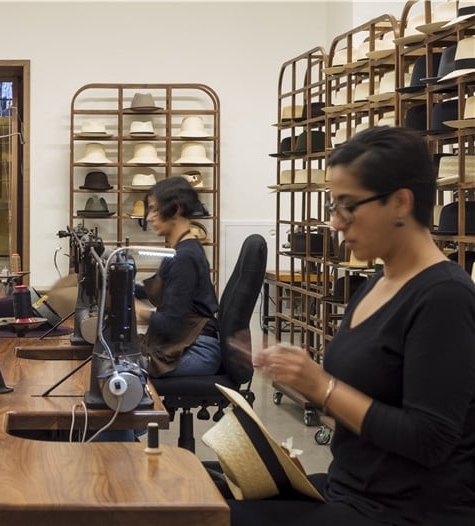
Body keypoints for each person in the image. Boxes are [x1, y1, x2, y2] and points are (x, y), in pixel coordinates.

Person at [227, 127, 475, 525]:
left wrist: (321, 386)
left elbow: (428, 439)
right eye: (333, 206)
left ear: (401, 202)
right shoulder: (379, 282)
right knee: (204, 491)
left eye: (348, 206)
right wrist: (299, 379)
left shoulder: (445, 297)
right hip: (350, 488)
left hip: (404, 510)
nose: (336, 223)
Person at [134, 176, 222, 378]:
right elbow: (163, 290)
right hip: (187, 344)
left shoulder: (185, 257)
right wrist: (122, 285)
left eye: (154, 209)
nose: (148, 218)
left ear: (175, 210)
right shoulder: (180, 251)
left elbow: (170, 326)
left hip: (197, 351)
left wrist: (139, 310)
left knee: (123, 369)